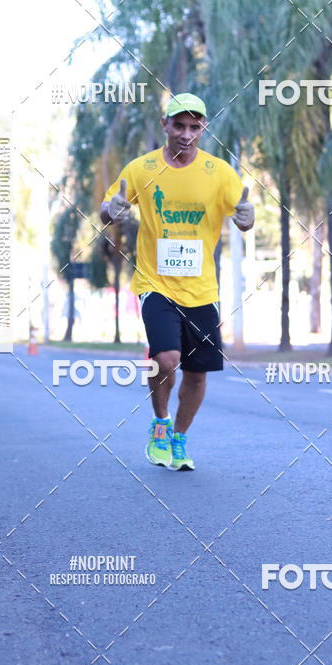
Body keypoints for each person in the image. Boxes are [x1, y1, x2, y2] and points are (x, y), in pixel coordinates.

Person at [100, 92, 255, 471]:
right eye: (179, 125)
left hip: (201, 288)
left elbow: (244, 216)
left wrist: (247, 217)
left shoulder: (219, 173)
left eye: (195, 126)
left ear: (202, 128)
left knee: (197, 372)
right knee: (166, 358)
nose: (187, 133)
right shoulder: (141, 168)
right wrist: (112, 210)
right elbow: (109, 206)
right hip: (155, 283)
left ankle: (180, 440)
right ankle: (160, 422)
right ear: (165, 125)